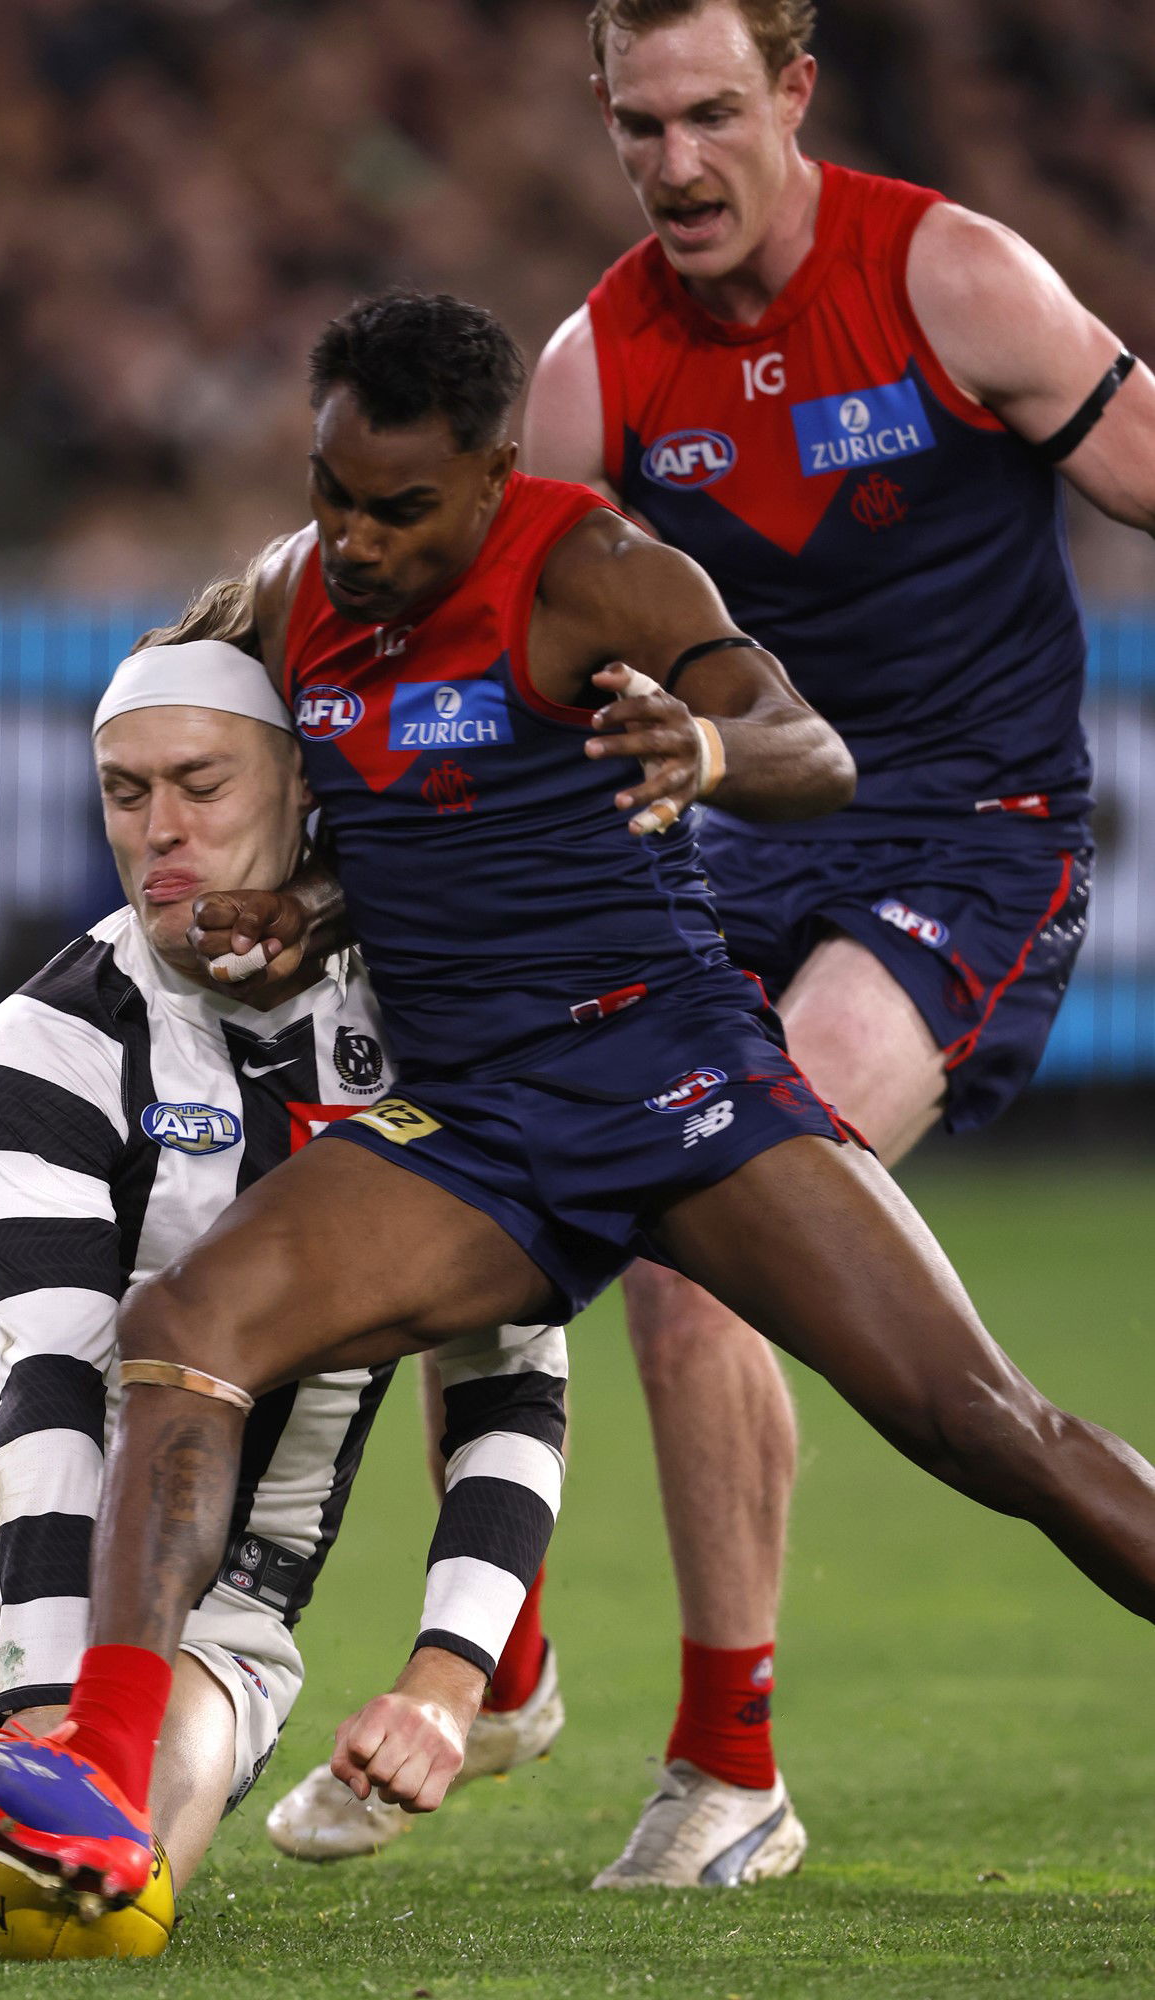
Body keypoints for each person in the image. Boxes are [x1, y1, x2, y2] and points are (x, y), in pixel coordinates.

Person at [0, 290, 1155, 1910]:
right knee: (182, 1330)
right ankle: (95, 1778)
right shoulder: (288, 592)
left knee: (988, 1430)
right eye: (332, 489)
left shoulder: (591, 567)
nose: (356, 539)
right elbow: (239, 739)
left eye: (400, 510)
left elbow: (806, 747)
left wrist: (703, 745)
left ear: (489, 477)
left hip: (677, 1083)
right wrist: (299, 903)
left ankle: (489, 1679)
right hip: (474, 1120)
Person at [450, 0, 1155, 1890]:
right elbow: (501, 650)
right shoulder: (596, 367)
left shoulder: (952, 277)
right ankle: (493, 1646)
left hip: (970, 839)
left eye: (707, 117)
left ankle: (726, 1769)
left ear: (794, 98)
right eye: (634, 127)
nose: (673, 165)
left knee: (707, 1234)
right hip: (723, 835)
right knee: (448, 1137)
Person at [0, 626, 569, 1942]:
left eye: (199, 785)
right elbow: (49, 1379)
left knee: (84, 1903)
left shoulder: (447, 1031)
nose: (158, 828)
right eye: (124, 788)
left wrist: (446, 1679)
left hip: (220, 1607)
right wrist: (47, 1702)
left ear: (299, 788)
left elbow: (511, 1388)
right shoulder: (49, 1036)